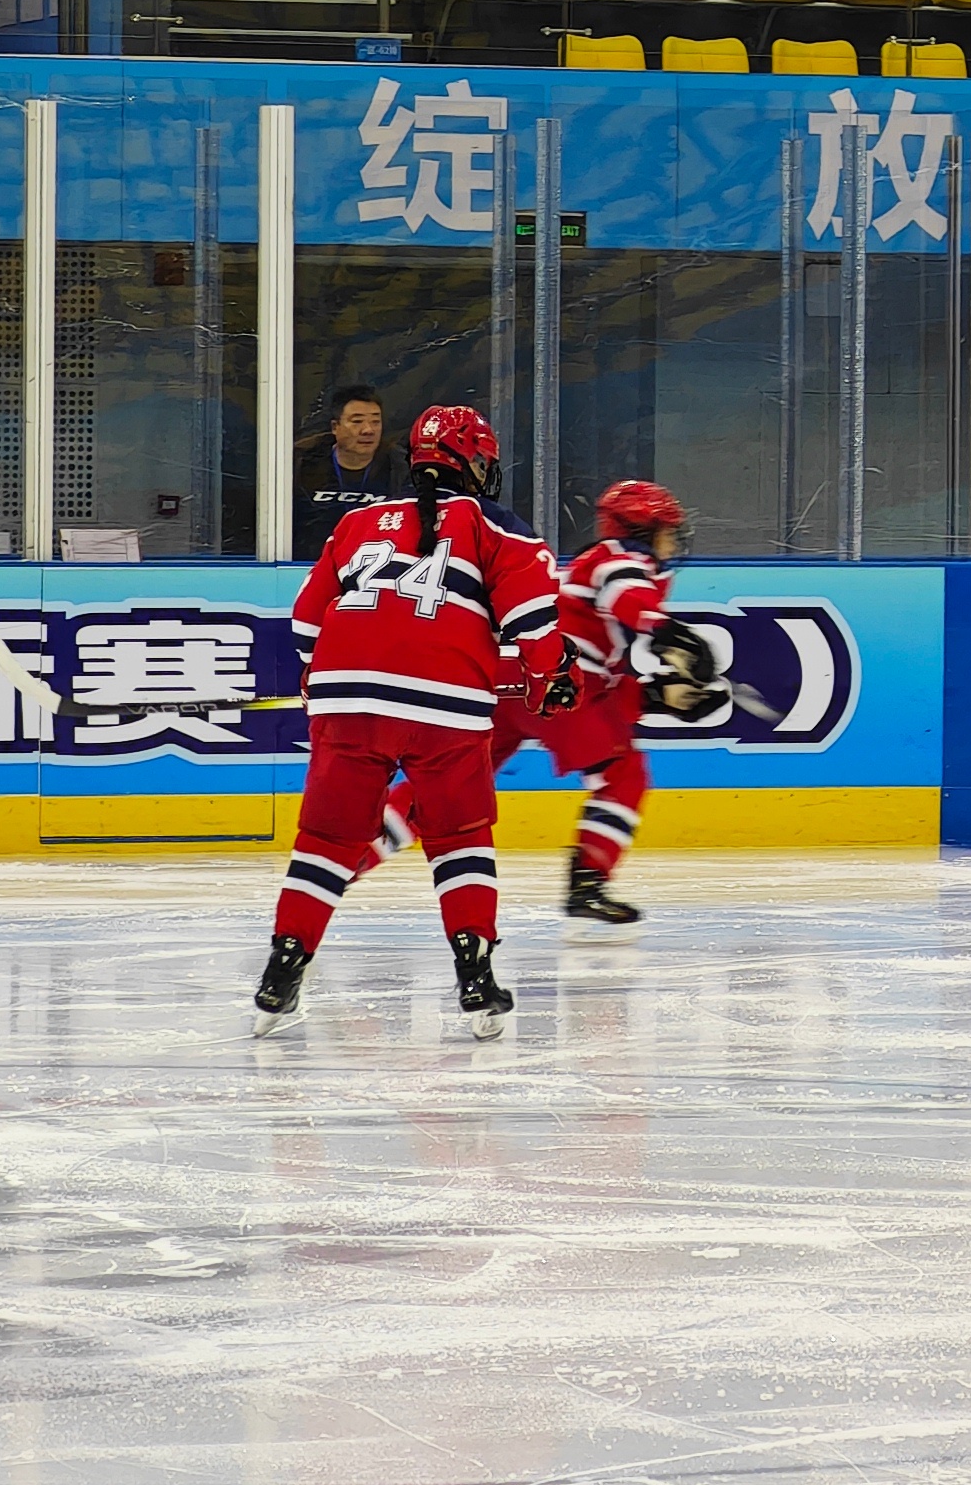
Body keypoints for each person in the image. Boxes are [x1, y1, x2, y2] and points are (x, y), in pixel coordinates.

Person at [250, 403, 558, 1040]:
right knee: (458, 836)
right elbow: (533, 623)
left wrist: (325, 686)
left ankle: (283, 969)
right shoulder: (494, 524)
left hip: (346, 700)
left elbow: (306, 625)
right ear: (469, 461)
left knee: (328, 842)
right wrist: (551, 678)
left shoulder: (356, 522)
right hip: (445, 703)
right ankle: (475, 974)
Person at [354, 474, 700, 929]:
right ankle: (588, 882)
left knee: (443, 787)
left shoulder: (588, 565)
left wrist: (657, 691)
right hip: (557, 683)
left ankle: (346, 860)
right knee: (623, 776)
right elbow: (626, 598)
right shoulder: (623, 558)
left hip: (508, 677)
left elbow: (612, 661)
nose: (673, 542)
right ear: (643, 531)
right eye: (667, 531)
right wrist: (665, 631)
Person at [294, 386, 402, 543]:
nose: (368, 430)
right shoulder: (302, 465)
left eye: (376, 421)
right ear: (335, 427)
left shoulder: (399, 468)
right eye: (357, 421)